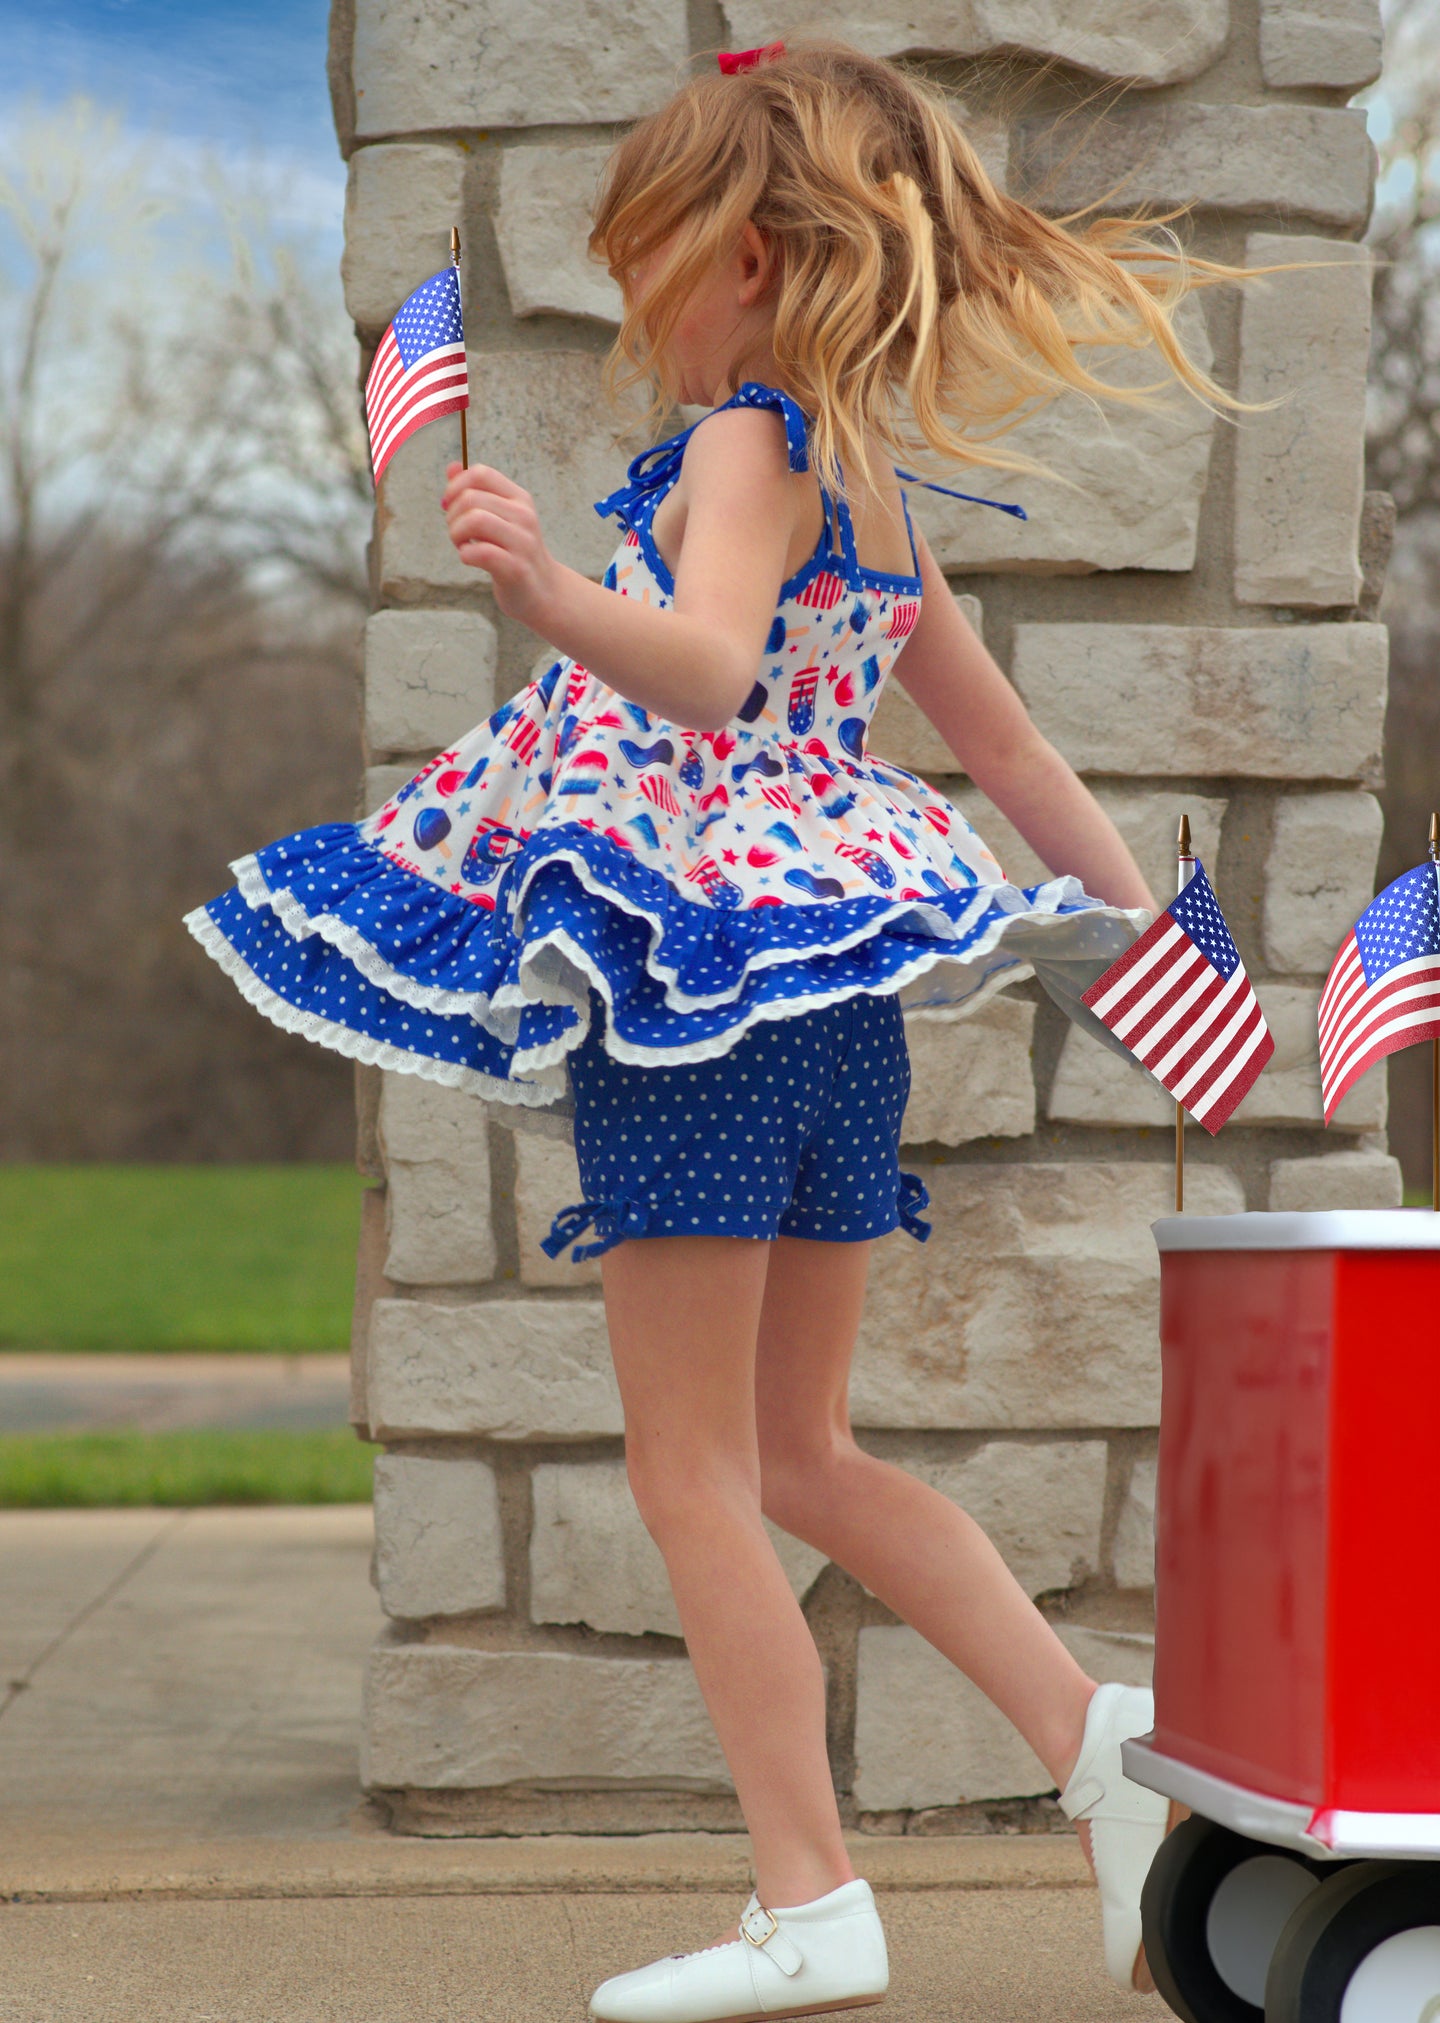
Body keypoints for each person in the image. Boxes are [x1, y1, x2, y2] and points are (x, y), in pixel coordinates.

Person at [188, 39, 1249, 2021]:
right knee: (806, 1450)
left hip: (696, 988)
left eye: (647, 264)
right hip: (833, 998)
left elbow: (698, 672)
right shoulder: (868, 474)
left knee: (694, 1467)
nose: (628, 314)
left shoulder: (752, 449)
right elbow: (1003, 743)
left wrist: (544, 586)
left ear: (750, 259)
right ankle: (1098, 1745)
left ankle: (809, 1896)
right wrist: (1135, 927)